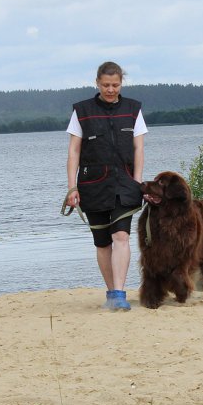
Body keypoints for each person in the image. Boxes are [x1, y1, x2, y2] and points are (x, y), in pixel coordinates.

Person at [65, 61, 147, 311]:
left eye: (115, 85)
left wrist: (137, 181)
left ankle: (120, 293)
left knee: (121, 235)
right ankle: (112, 292)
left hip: (125, 184)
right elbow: (74, 151)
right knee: (102, 242)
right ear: (97, 83)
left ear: (122, 83)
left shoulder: (133, 109)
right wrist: (71, 187)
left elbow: (139, 148)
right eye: (106, 85)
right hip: (92, 185)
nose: (111, 90)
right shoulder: (82, 111)